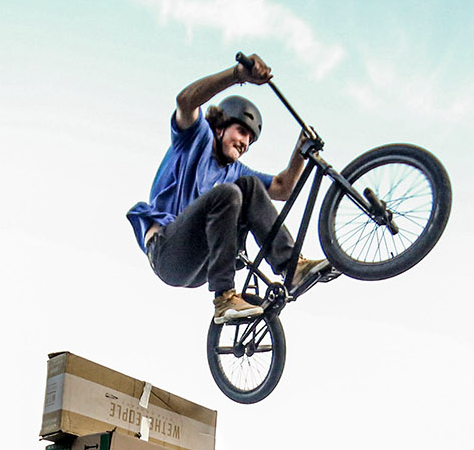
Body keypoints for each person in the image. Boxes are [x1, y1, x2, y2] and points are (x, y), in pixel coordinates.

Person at [126, 53, 333, 324]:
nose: (245, 143)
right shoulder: (195, 137)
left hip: (200, 265)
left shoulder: (236, 172)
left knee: (245, 187)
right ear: (221, 127)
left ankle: (291, 267)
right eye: (241, 132)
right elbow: (185, 101)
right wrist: (237, 76)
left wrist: (300, 152)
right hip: (167, 253)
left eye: (250, 140)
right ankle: (224, 298)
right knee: (229, 193)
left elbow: (283, 188)